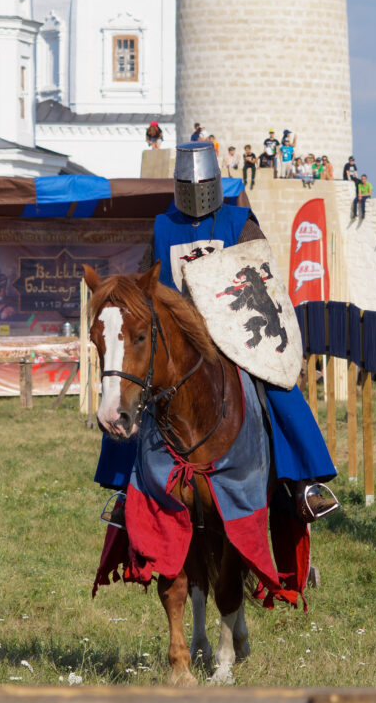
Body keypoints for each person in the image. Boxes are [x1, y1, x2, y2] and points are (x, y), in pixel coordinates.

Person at [94, 141, 338, 529]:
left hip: (237, 338)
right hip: (177, 344)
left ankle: (303, 481)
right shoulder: (163, 226)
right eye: (187, 185)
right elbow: (146, 286)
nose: (195, 193)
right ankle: (124, 489)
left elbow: (262, 278)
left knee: (277, 386)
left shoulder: (239, 223)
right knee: (128, 392)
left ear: (215, 182)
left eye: (202, 184)